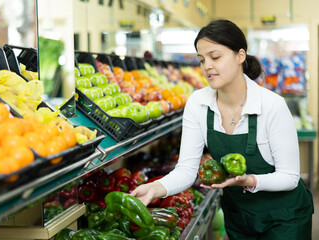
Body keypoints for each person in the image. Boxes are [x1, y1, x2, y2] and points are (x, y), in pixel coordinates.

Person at [131, 19, 314, 239]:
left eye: (215, 57)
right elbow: (186, 170)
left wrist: (250, 180)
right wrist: (155, 188)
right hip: (239, 217)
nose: (207, 66)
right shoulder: (197, 104)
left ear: (240, 56)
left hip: (286, 219)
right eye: (201, 59)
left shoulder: (271, 105)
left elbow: (289, 177)